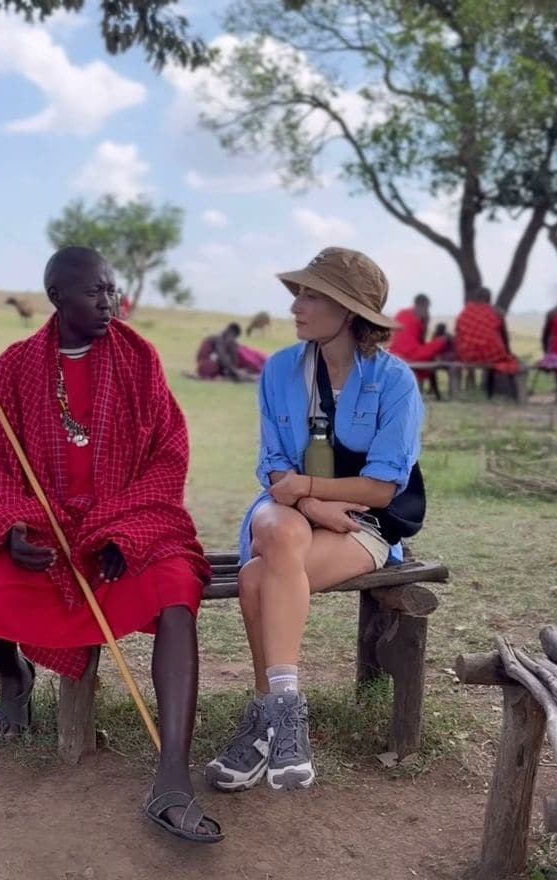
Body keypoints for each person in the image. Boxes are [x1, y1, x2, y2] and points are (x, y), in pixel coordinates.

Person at [0, 246, 221, 844]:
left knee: (178, 587)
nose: (109, 302)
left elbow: (169, 450)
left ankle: (172, 775)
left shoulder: (139, 357)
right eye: (94, 292)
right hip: (46, 535)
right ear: (57, 299)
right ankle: (13, 676)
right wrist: (16, 527)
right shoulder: (16, 367)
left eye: (113, 289)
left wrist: (131, 529)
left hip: (124, 529)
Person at [204, 247, 425, 794]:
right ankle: (287, 712)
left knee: (258, 578)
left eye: (312, 295)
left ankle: (263, 722)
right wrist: (306, 503)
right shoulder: (280, 369)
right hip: (290, 516)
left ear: (348, 312)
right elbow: (272, 465)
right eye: (298, 293)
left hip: (363, 526)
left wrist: (307, 488)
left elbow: (380, 487)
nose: (297, 305)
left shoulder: (394, 382)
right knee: (276, 531)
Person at [454, 287, 520, 397]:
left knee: (494, 356)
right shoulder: (496, 312)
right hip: (490, 355)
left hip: (467, 355)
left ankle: (484, 392)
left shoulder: (465, 312)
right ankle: (509, 394)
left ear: (476, 298)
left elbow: (458, 334)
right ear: (489, 299)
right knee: (510, 361)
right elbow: (504, 337)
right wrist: (507, 354)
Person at [388, 294, 452, 398]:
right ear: (422, 305)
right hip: (408, 355)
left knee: (431, 355)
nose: (428, 311)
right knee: (439, 346)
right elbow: (417, 348)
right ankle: (436, 394)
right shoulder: (413, 315)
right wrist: (442, 340)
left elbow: (419, 342)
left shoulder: (403, 314)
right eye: (427, 308)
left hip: (395, 354)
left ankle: (432, 392)